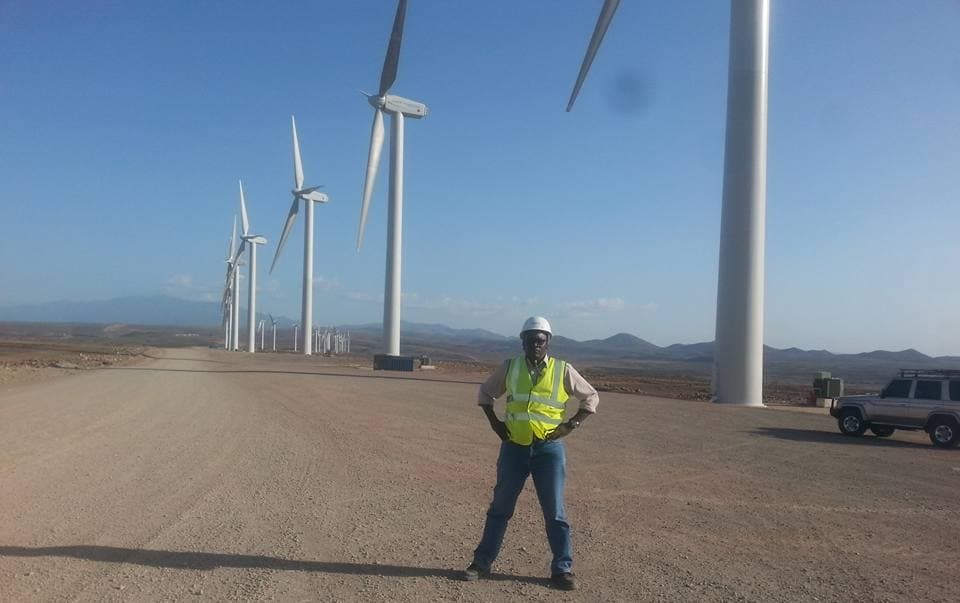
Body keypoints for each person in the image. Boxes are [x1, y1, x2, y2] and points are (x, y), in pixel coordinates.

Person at [463, 316, 599, 591]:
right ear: (522, 341)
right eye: (531, 339)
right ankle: (481, 563)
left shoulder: (562, 370)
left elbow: (591, 397)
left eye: (541, 339)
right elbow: (486, 393)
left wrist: (570, 425)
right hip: (514, 447)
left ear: (548, 342)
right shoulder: (510, 367)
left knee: (555, 512)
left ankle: (562, 569)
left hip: (549, 450)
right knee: (500, 508)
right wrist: (495, 423)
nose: (536, 344)